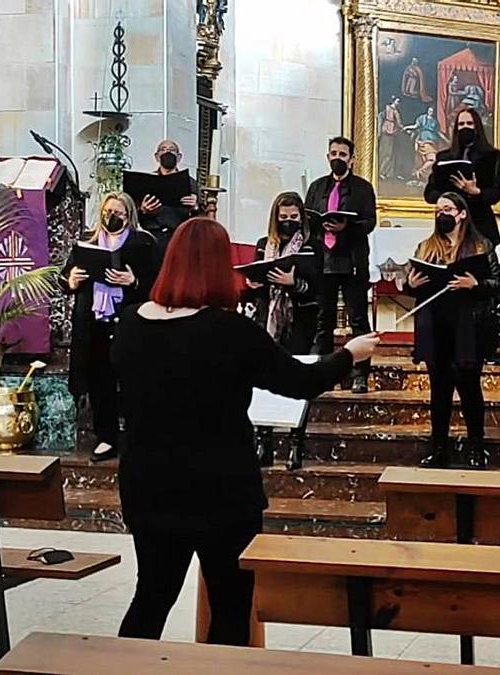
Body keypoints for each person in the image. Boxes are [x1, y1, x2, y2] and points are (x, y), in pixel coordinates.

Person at [111, 217, 379, 645]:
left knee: (152, 597)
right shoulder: (228, 331)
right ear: (219, 267)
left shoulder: (130, 325)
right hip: (220, 489)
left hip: (148, 484)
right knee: (231, 604)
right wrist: (348, 354)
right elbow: (299, 381)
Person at [405, 192, 500, 469]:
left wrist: (476, 285)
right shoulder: (426, 246)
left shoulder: (480, 245)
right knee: (439, 390)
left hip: (467, 325)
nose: (441, 214)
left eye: (447, 209)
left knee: (469, 388)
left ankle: (476, 447)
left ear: (461, 214)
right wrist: (411, 283)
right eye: (438, 210)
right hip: (435, 324)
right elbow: (411, 284)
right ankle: (438, 448)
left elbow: (497, 284)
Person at [63, 191, 160, 463]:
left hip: (130, 324)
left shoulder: (144, 244)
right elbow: (66, 277)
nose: (111, 217)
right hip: (94, 323)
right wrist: (72, 279)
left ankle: (137, 438)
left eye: (117, 213)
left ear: (129, 216)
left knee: (133, 383)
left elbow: (158, 285)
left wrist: (133, 281)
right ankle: (106, 437)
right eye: (107, 212)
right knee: (99, 382)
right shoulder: (87, 241)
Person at [244, 192, 320, 471]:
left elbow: (319, 289)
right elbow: (258, 279)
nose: (288, 222)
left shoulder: (311, 246)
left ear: (301, 218)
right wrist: (255, 284)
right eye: (283, 218)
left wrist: (294, 283)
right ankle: (263, 442)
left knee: (298, 378)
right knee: (263, 379)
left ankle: (295, 444)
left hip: (299, 320)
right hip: (268, 321)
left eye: (293, 218)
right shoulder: (265, 245)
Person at [306, 136, 378, 394]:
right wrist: (319, 224)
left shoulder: (362, 188)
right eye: (333, 153)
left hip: (351, 260)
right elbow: (307, 221)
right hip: (323, 259)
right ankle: (322, 373)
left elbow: (370, 222)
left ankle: (360, 374)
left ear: (352, 158)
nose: (337, 158)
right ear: (328, 157)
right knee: (322, 318)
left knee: (358, 318)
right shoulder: (316, 188)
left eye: (343, 154)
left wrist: (346, 226)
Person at [423, 107, 500, 245]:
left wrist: (475, 191)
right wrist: (448, 198)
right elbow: (429, 194)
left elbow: (495, 194)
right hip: (450, 228)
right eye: (461, 124)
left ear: (477, 126)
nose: (465, 128)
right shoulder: (444, 157)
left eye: (469, 124)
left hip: (480, 226)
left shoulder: (491, 156)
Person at [136, 139, 200, 243]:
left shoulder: (190, 182)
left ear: (179, 157)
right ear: (157, 156)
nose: (167, 152)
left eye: (171, 150)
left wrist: (195, 206)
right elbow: (135, 213)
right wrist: (143, 210)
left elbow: (199, 214)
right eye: (163, 149)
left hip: (179, 235)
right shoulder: (147, 181)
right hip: (153, 235)